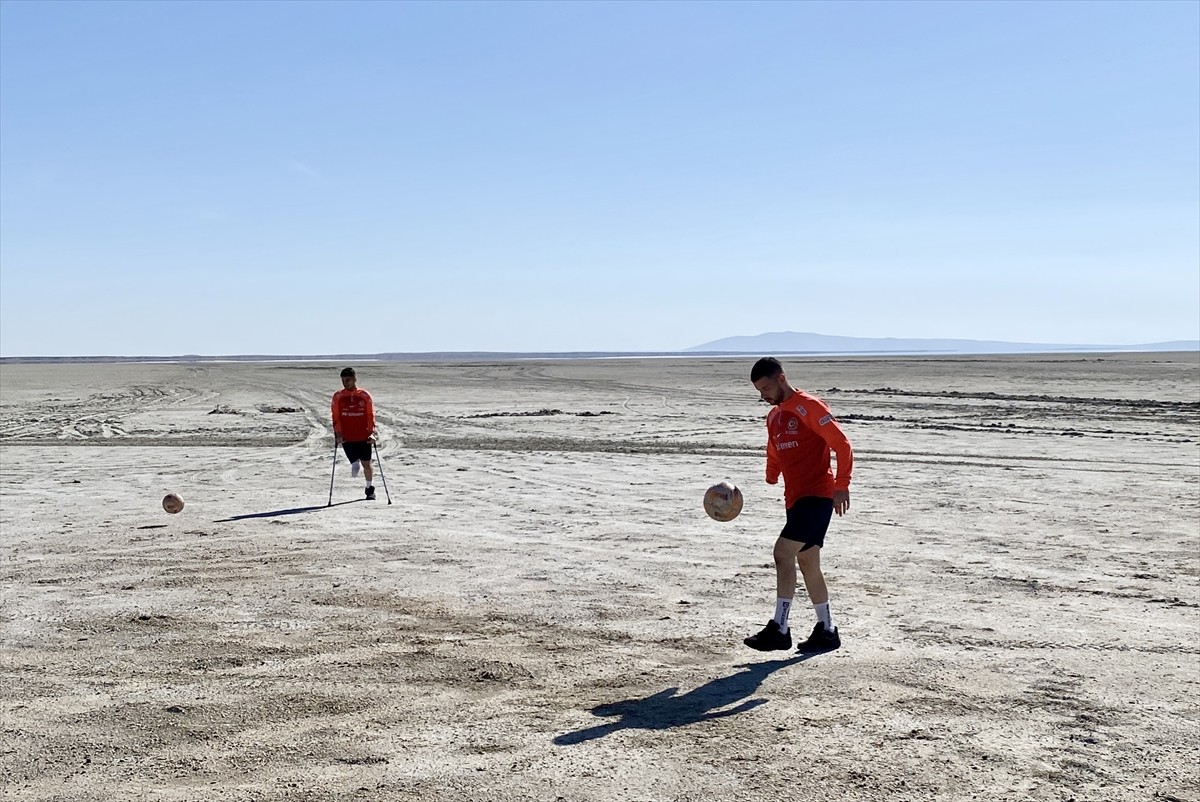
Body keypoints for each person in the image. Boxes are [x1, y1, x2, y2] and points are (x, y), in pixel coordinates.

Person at [744, 357, 853, 653]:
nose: (762, 395)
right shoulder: (774, 417)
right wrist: (770, 475)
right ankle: (827, 630)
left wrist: (842, 485)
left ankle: (779, 628)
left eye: (766, 387)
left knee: (782, 554)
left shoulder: (810, 406)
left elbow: (841, 444)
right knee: (808, 563)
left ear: (781, 379)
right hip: (794, 499)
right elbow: (774, 450)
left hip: (817, 497)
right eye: (758, 390)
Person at [332, 367, 377, 500]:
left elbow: (370, 415)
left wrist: (372, 433)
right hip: (347, 435)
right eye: (343, 380)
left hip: (363, 434)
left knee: (367, 464)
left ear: (354, 379)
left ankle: (369, 489)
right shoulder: (338, 396)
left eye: (348, 380)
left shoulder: (364, 395)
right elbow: (335, 416)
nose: (345, 383)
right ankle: (354, 462)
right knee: (355, 463)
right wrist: (337, 433)